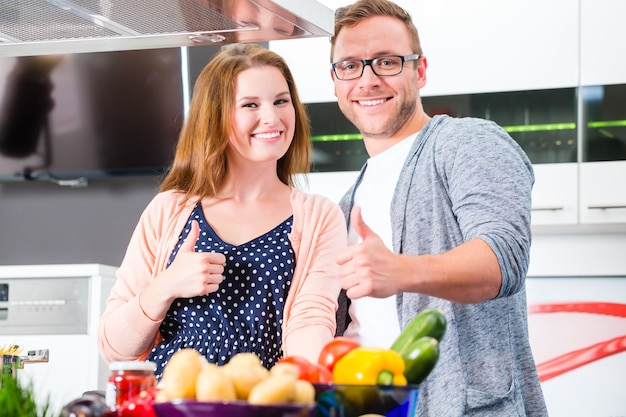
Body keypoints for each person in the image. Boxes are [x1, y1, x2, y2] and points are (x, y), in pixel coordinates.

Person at [329, 1, 548, 415]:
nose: (368, 79)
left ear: (420, 70)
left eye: (387, 62)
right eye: (350, 66)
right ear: (336, 81)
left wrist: (401, 271)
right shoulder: (347, 202)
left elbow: (504, 257)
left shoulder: (467, 142)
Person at [97, 43, 347, 380]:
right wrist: (165, 286)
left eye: (281, 101)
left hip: (263, 401)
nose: (272, 117)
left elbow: (311, 319)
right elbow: (114, 348)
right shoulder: (169, 209)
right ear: (216, 117)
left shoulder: (320, 216)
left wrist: (311, 385)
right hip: (168, 401)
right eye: (250, 105)